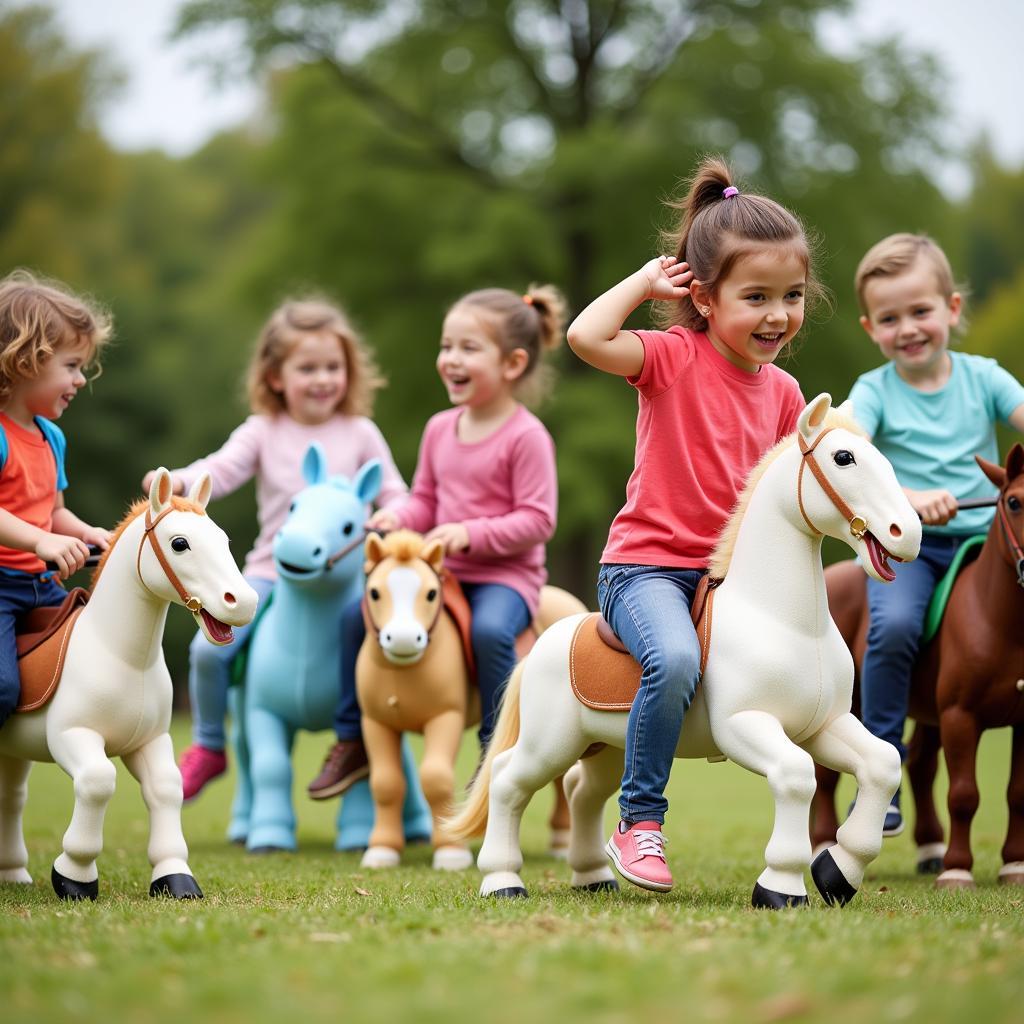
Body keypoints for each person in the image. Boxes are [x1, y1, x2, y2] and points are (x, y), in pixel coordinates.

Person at [566, 157, 816, 892]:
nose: (779, 314)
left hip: (729, 577)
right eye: (758, 296)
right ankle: (639, 821)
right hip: (645, 569)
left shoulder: (786, 392)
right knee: (673, 661)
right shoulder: (671, 358)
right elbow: (584, 337)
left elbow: (794, 486)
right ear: (704, 299)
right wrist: (644, 284)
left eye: (793, 296)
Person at [144, 298, 408, 800]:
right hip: (271, 573)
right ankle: (209, 745)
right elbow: (219, 470)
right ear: (275, 376)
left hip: (344, 578)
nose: (322, 378)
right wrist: (177, 481)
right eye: (307, 368)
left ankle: (373, 744)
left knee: (395, 641)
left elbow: (395, 489)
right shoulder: (263, 431)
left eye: (333, 367)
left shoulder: (360, 433)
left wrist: (394, 513)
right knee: (207, 651)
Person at [307, 285, 564, 800]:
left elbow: (538, 520)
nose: (450, 359)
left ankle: (497, 749)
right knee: (354, 616)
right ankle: (353, 736)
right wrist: (396, 515)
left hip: (504, 578)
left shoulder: (526, 435)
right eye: (447, 346)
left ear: (513, 363)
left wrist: (470, 533)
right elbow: (424, 498)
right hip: (441, 574)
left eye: (469, 349)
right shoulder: (439, 429)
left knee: (492, 632)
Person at [847, 233, 1024, 836]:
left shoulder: (983, 378)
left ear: (951, 308)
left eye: (921, 311)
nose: (909, 328)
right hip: (913, 546)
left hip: (989, 542)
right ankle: (881, 766)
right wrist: (911, 498)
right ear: (872, 327)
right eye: (891, 318)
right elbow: (851, 446)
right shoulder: (875, 390)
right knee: (892, 626)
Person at [0, 270, 113, 728]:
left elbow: (55, 511)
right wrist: (40, 542)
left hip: (42, 585)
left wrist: (89, 535)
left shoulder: (52, 438)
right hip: (2, 588)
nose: (81, 380)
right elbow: (36, 528)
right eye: (71, 366)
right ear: (25, 360)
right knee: (3, 687)